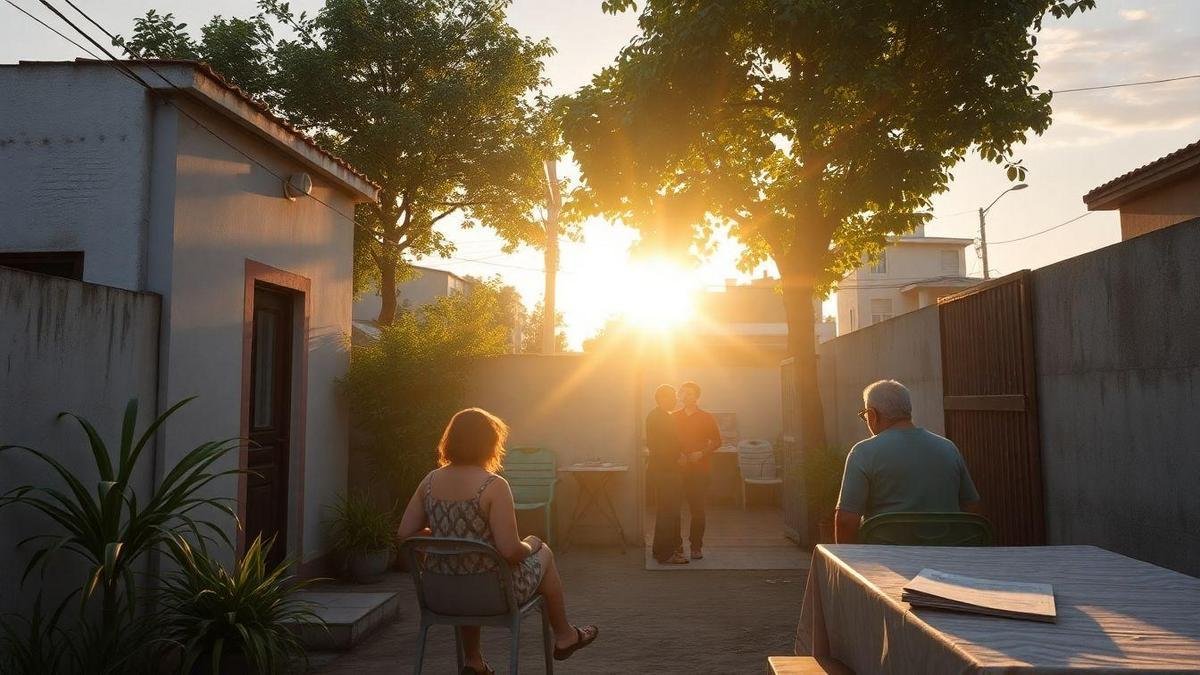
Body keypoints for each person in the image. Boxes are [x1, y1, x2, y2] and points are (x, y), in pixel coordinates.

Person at [397, 408, 599, 674]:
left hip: (439, 594)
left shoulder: (429, 482)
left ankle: (473, 660)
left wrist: (444, 538)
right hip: (493, 595)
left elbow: (404, 536)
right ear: (490, 444)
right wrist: (532, 544)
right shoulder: (493, 485)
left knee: (466, 568)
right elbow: (510, 551)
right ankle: (564, 635)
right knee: (544, 552)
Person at [834, 380, 981, 544]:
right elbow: (972, 509)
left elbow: (846, 522)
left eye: (865, 416)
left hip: (885, 561)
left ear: (873, 415)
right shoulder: (948, 448)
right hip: (946, 556)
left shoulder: (863, 452)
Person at [674, 381, 722, 559]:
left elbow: (717, 441)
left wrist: (701, 453)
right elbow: (669, 441)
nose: (686, 396)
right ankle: (677, 545)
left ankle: (696, 546)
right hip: (678, 469)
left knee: (697, 510)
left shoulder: (706, 417)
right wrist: (678, 455)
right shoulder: (674, 417)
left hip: (699, 469)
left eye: (690, 393)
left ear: (697, 396)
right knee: (674, 509)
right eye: (683, 393)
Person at [646, 384, 688, 564]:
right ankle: (666, 554)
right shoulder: (660, 418)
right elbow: (661, 447)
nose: (675, 400)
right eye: (671, 397)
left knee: (666, 512)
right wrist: (677, 458)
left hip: (664, 470)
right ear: (661, 398)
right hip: (666, 471)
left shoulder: (659, 416)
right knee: (669, 512)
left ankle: (660, 551)